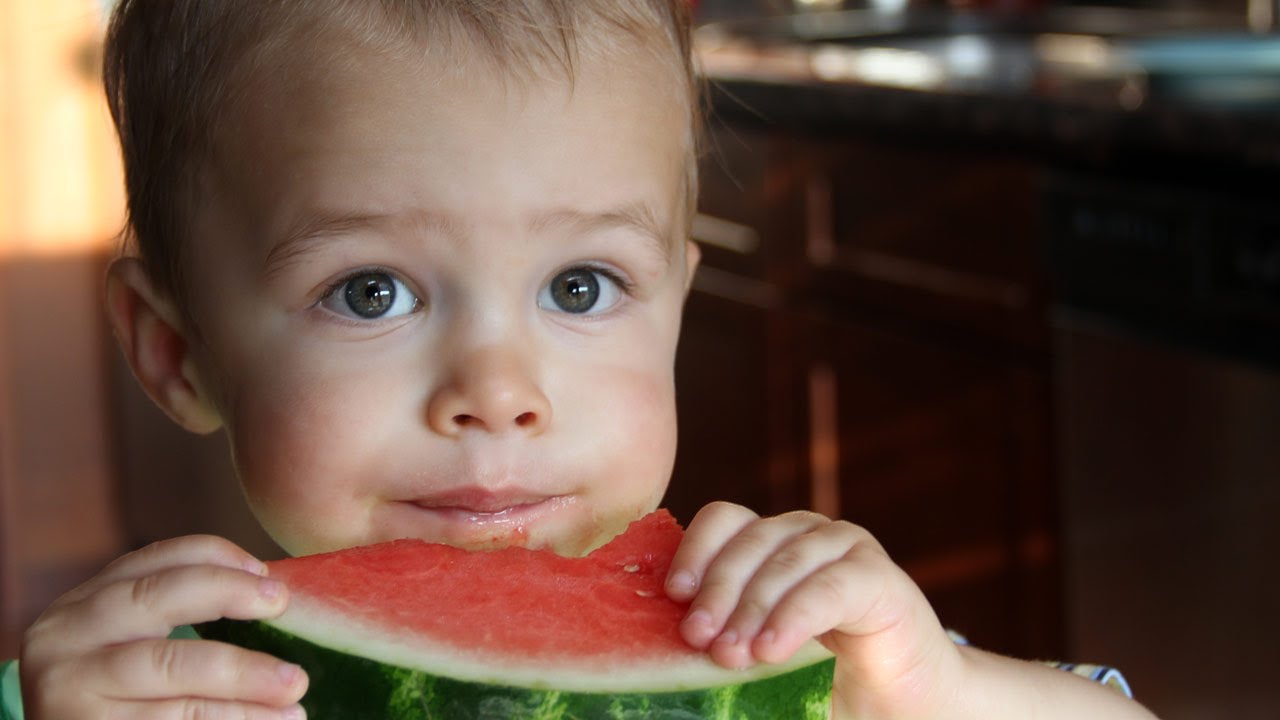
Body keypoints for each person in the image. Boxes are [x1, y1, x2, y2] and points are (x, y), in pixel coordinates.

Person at [2, 1, 1159, 718]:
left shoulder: (775, 640)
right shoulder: (139, 692)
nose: (498, 396)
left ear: (676, 309)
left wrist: (940, 694)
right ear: (174, 351)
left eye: (579, 286)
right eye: (371, 292)